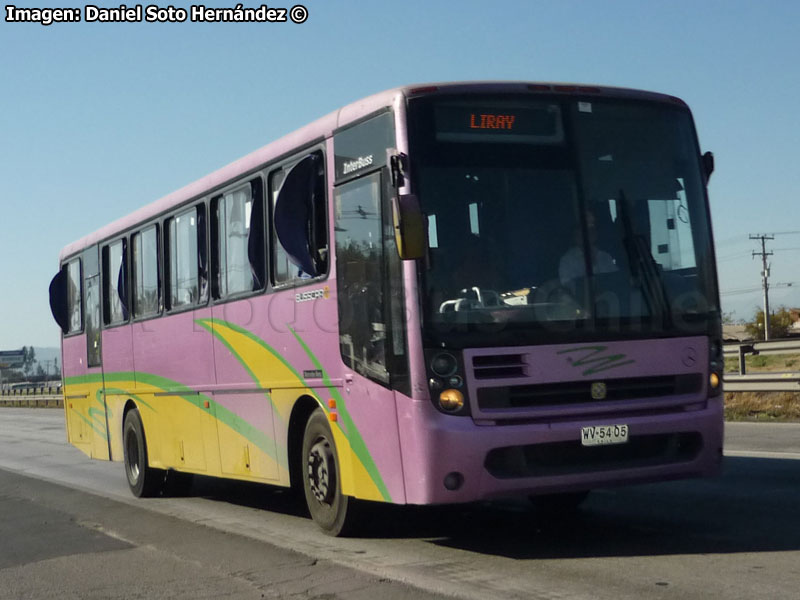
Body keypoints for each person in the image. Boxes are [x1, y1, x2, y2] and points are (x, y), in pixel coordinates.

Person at [558, 211, 618, 286]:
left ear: (595, 235)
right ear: (575, 236)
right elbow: (567, 287)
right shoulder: (567, 260)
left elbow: (616, 281)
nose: (588, 235)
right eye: (583, 231)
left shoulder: (605, 257)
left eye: (591, 231)